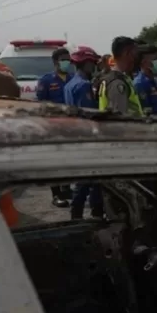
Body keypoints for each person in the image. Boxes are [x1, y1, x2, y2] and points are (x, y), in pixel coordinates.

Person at [64, 46, 104, 220]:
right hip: (88, 138)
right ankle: (82, 216)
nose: (94, 66)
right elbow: (89, 113)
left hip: (76, 136)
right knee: (89, 182)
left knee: (90, 182)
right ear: (85, 63)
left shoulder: (70, 83)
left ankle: (80, 216)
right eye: (92, 63)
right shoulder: (83, 85)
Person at [36, 47, 73, 207]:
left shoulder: (73, 78)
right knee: (55, 161)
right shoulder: (46, 80)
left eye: (68, 59)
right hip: (53, 126)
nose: (67, 62)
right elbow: (41, 105)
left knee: (68, 160)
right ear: (55, 61)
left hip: (72, 125)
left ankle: (66, 188)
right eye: (63, 59)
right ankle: (56, 194)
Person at [99, 36, 144, 116]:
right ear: (126, 53)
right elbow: (119, 120)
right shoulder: (117, 83)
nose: (137, 58)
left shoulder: (119, 78)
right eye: (135, 54)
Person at [134, 47, 157, 116]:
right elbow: (146, 111)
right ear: (144, 61)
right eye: (155, 59)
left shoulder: (151, 79)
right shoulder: (140, 83)